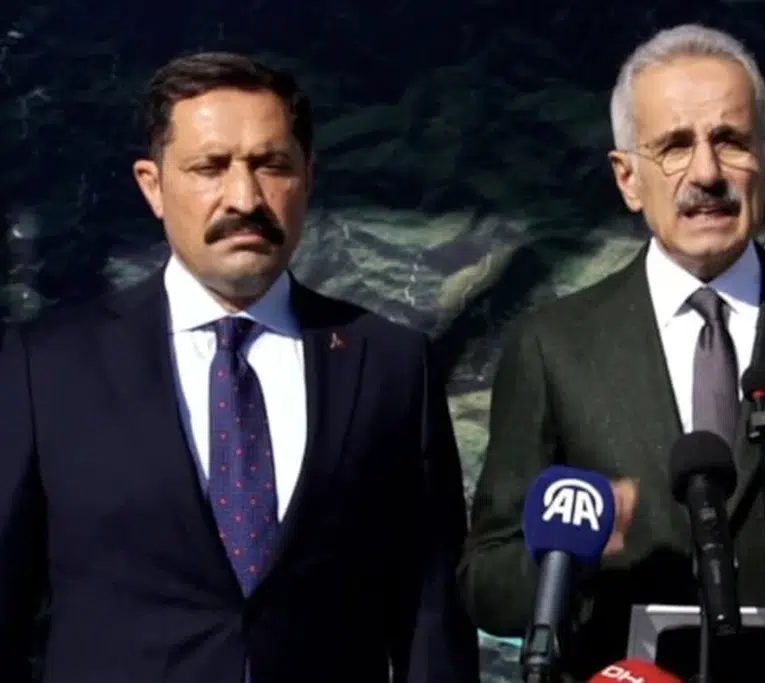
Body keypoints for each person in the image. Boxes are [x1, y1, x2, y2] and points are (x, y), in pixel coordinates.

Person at [0, 52, 479, 683]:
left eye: (271, 165)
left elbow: (430, 612)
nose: (245, 197)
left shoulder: (389, 363)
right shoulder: (47, 367)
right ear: (152, 185)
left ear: (308, 176)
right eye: (210, 167)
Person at [459, 24, 765, 682]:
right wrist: (565, 560)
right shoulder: (551, 348)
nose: (706, 173)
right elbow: (485, 581)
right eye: (674, 146)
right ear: (627, 178)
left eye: (730, 141)